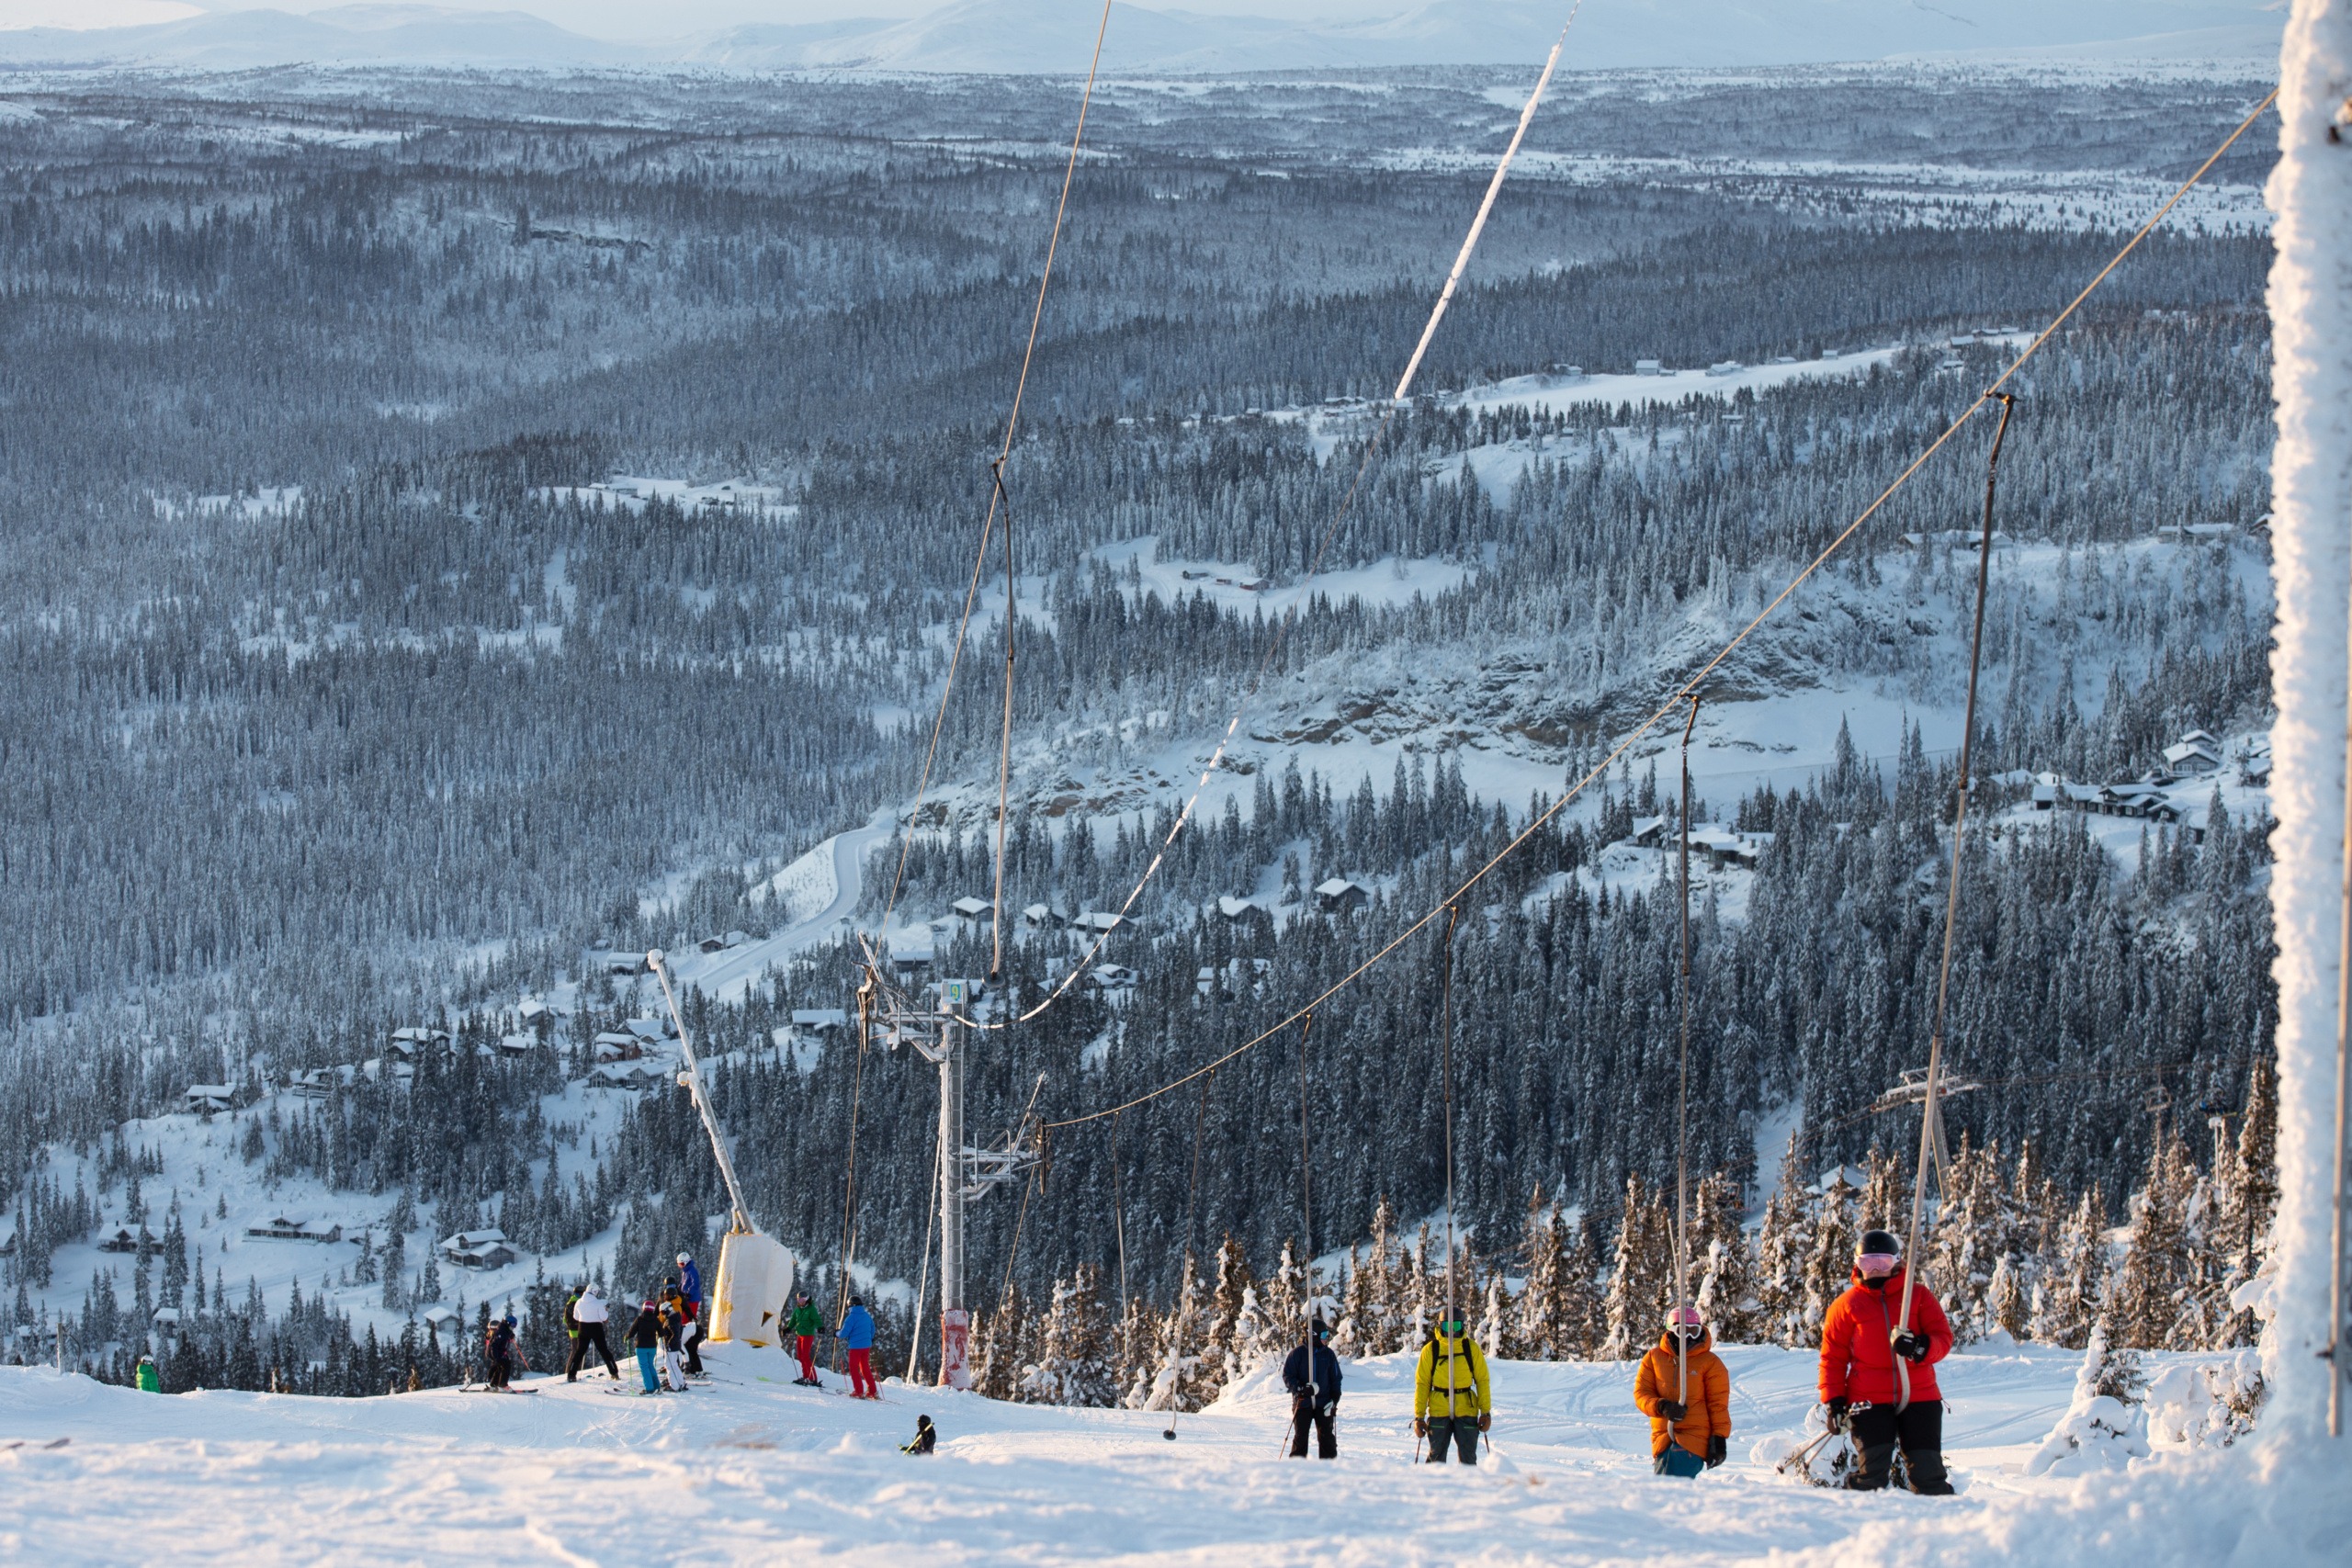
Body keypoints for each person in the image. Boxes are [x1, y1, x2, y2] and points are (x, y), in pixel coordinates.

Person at [1819, 1228, 1955, 1495]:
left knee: (1929, 1476)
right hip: (1868, 1399)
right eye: (1868, 1263)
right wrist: (1834, 1403)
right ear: (1857, 1265)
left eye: (1883, 1262)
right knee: (1871, 1477)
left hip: (1919, 1395)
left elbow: (1943, 1339)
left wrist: (1918, 1347)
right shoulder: (1846, 1305)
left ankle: (1941, 1529)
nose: (1876, 1270)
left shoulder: (1916, 1296)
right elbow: (1832, 1358)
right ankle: (1862, 1529)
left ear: (1896, 1262)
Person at [1634, 1305, 1732, 1475]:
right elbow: (1642, 1394)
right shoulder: (1654, 1358)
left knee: (1669, 1486)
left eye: (1693, 1331)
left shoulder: (1710, 1363)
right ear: (1671, 1331)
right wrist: (1661, 1406)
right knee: (1662, 1490)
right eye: (1682, 1331)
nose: (1687, 1337)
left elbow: (1718, 1404)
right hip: (1663, 1439)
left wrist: (1719, 1438)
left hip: (1693, 1439)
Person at [1412, 1316, 1490, 1464]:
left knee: (1468, 1458)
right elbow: (1422, 1384)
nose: (1452, 1330)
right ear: (1441, 1326)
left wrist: (1485, 1412)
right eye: (1448, 1326)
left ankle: (1469, 1485)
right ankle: (1431, 1485)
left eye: (1456, 1325)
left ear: (1462, 1326)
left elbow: (1482, 1380)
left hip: (1466, 1408)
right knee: (1436, 1457)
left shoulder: (1471, 1348)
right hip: (1439, 1409)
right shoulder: (1431, 1349)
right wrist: (1419, 1417)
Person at [1281, 1317, 1343, 1459]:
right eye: (1323, 1335)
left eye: (1327, 1335)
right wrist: (1301, 1389)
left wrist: (1334, 1399)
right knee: (1301, 1437)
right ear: (1312, 1335)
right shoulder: (1297, 1354)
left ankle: (1329, 1469)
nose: (1326, 1339)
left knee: (1327, 1437)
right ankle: (1297, 1469)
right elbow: (1288, 1376)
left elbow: (1336, 1378)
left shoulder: (1328, 1354)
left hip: (1324, 1403)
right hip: (1303, 1403)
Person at [566, 1284, 619, 1382]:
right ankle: (614, 1373)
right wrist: (606, 1310)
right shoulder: (598, 1303)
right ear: (595, 1292)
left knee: (579, 1352)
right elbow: (604, 1318)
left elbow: (576, 1317)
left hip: (582, 1327)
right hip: (596, 1328)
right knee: (604, 1351)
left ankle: (571, 1375)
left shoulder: (579, 1302)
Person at [839, 1295, 878, 1399]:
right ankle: (873, 1391)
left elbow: (843, 1333)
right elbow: (872, 1328)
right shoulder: (866, 1315)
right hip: (866, 1346)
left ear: (850, 1305)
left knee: (854, 1369)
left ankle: (859, 1391)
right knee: (865, 1368)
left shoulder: (851, 1318)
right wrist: (870, 1338)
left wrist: (836, 1334)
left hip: (855, 1347)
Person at [675, 1252, 706, 1375]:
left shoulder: (691, 1270)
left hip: (692, 1299)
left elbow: (695, 1284)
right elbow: (684, 1283)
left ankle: (687, 1334)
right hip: (686, 1298)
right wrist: (678, 1289)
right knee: (684, 1317)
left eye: (682, 1263)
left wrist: (688, 1293)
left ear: (687, 1262)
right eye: (679, 1264)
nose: (680, 1266)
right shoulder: (686, 1270)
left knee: (687, 1317)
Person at [788, 1291, 824, 1387]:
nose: (801, 1301)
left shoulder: (811, 1309)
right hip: (799, 1335)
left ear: (807, 1299)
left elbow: (817, 1319)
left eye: (803, 1299)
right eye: (799, 1299)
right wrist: (788, 1328)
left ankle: (813, 1378)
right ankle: (805, 1376)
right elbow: (793, 1320)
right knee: (800, 1356)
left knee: (805, 1356)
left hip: (808, 1335)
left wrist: (820, 1327)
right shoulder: (797, 1309)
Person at [629, 1297, 663, 1394]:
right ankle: (656, 1386)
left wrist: (627, 1337)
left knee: (644, 1367)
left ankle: (649, 1388)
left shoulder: (640, 1319)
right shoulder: (656, 1320)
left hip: (641, 1347)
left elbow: (632, 1332)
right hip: (652, 1347)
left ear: (643, 1308)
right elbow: (661, 1333)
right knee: (650, 1366)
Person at [658, 1297, 688, 1392]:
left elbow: (675, 1334)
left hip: (671, 1347)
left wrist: (669, 1344)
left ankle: (674, 1386)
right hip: (674, 1346)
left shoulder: (671, 1320)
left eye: (662, 1312)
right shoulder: (675, 1317)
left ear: (667, 1310)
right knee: (674, 1365)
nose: (662, 1315)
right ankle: (681, 1383)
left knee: (669, 1366)